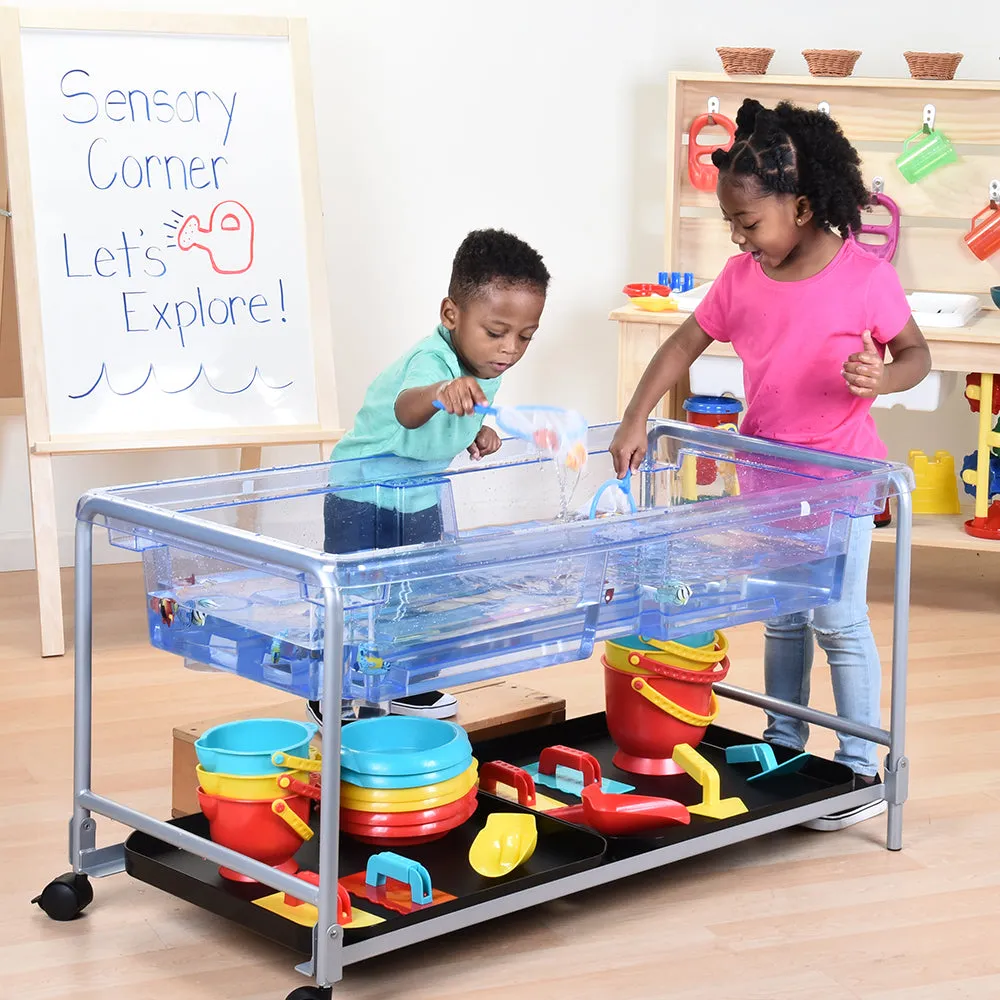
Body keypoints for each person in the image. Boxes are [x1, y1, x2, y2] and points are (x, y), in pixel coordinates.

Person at [610, 98, 931, 830]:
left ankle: (857, 767)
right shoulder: (740, 279)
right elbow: (682, 344)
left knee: (839, 620)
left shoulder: (864, 278)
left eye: (749, 223)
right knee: (784, 620)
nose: (740, 238)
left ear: (805, 205)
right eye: (731, 224)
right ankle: (786, 743)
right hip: (769, 483)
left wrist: (884, 378)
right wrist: (636, 414)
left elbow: (916, 354)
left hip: (842, 482)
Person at [310, 227, 550, 727]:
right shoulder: (431, 363)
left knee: (418, 595)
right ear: (451, 315)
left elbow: (450, 418)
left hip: (417, 498)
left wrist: (474, 430)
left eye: (525, 337)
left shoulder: (483, 365)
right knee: (357, 597)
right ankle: (331, 690)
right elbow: (407, 410)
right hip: (362, 494)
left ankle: (404, 683)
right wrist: (443, 392)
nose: (509, 349)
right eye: (496, 332)